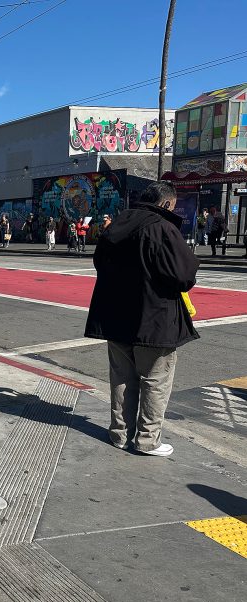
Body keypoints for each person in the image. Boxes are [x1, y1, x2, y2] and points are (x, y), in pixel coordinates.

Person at [84, 181, 199, 457]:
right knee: (155, 379)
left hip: (114, 316)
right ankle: (148, 440)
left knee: (122, 378)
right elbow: (184, 276)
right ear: (167, 203)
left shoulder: (117, 224)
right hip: (154, 319)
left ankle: (120, 435)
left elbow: (99, 263)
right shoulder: (162, 228)